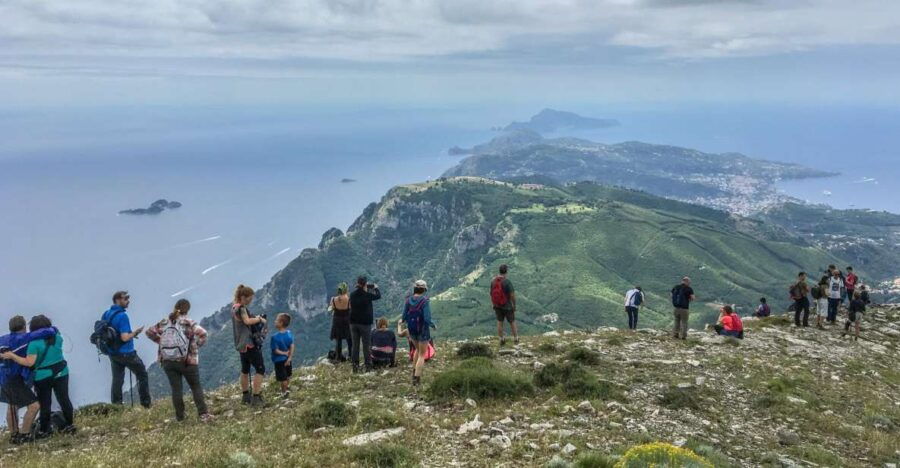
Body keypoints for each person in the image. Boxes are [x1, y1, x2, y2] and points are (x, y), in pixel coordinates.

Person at [145, 299, 211, 422]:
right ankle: (203, 414)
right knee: (195, 386)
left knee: (176, 389)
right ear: (187, 309)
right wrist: (196, 345)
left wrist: (160, 341)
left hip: (168, 361)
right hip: (187, 360)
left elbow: (149, 332)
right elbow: (203, 334)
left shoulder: (164, 322)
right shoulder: (188, 322)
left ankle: (180, 417)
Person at [0, 316, 55, 444]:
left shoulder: (3, 339)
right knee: (34, 405)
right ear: (24, 327)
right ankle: (25, 435)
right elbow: (47, 332)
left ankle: (14, 436)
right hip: (14, 380)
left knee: (12, 406)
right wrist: (53, 328)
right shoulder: (24, 338)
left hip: (3, 378)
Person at [102, 291, 151, 408]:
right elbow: (124, 338)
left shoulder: (106, 314)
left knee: (117, 380)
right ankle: (146, 404)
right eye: (125, 299)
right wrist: (134, 333)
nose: (128, 301)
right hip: (126, 353)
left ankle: (116, 406)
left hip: (113, 353)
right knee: (142, 374)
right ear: (118, 300)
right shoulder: (123, 316)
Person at [232, 284, 267, 406]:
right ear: (243, 297)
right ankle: (256, 397)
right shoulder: (241, 308)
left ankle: (245, 396)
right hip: (249, 344)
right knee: (260, 368)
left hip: (241, 345)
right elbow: (247, 321)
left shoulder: (234, 308)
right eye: (249, 299)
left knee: (245, 370)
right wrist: (259, 320)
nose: (250, 301)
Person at [402, 280, 435, 386]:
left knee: (416, 349)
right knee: (422, 354)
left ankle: (414, 372)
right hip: (422, 330)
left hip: (412, 329)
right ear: (424, 289)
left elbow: (403, 316)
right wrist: (433, 325)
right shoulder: (424, 301)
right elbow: (427, 318)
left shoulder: (408, 300)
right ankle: (416, 379)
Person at [348, 276, 381, 373]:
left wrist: (364, 288)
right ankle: (368, 366)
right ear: (365, 284)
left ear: (358, 283)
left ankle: (355, 367)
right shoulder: (367, 295)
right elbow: (378, 296)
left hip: (353, 323)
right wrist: (376, 287)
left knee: (355, 345)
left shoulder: (352, 294)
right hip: (365, 324)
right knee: (366, 345)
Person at [490, 264, 517, 345]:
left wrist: (493, 304)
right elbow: (512, 295)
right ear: (506, 271)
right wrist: (514, 305)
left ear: (499, 271)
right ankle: (516, 338)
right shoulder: (507, 282)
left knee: (499, 322)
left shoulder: (493, 281)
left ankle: (501, 339)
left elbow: (491, 294)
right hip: (507, 305)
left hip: (497, 305)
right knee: (512, 321)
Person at [270, 313, 294, 399]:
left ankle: (284, 392)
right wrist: (289, 357)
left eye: (276, 320)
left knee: (282, 378)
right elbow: (292, 346)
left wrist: (283, 353)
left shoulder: (274, 337)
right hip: (288, 359)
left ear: (281, 323)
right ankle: (286, 389)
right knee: (287, 375)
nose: (274, 321)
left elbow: (275, 350)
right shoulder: (289, 333)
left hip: (279, 361)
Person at [329, 282, 352, 362]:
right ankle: (350, 356)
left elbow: (331, 308)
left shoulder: (333, 299)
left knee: (338, 340)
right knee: (349, 339)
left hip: (337, 320)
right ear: (345, 290)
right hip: (346, 320)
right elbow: (350, 308)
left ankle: (338, 358)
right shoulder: (348, 299)